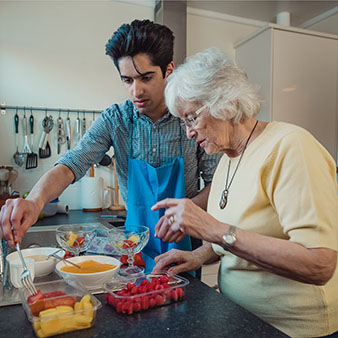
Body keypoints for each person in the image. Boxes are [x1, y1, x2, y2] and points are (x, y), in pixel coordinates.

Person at [0, 20, 220, 270]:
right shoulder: (116, 120)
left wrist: (187, 209)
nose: (136, 91)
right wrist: (35, 201)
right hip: (133, 247)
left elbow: (217, 183)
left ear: (169, 69)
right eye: (127, 80)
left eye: (146, 78)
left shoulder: (192, 117)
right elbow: (73, 163)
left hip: (186, 244)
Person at [151, 47, 338, 337]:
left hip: (291, 329)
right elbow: (237, 240)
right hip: (240, 316)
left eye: (191, 118)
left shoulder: (290, 146)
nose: (188, 132)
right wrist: (200, 256)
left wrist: (214, 229)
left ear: (223, 101)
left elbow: (319, 263)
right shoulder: (227, 160)